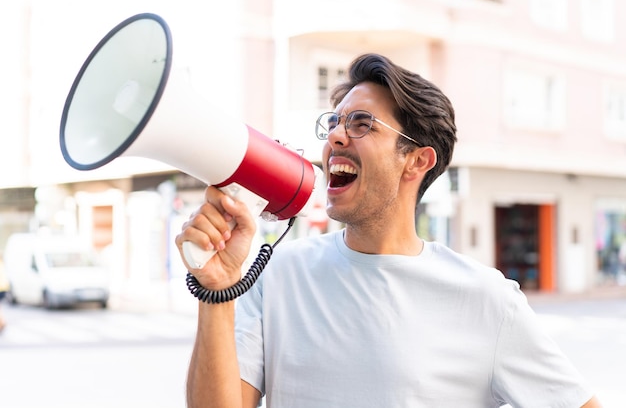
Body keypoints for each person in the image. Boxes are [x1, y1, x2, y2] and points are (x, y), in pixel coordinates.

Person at [176, 53, 601, 407]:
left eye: (361, 123)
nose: (337, 137)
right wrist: (216, 290)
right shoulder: (277, 275)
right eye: (335, 123)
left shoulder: (486, 299)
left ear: (417, 161)